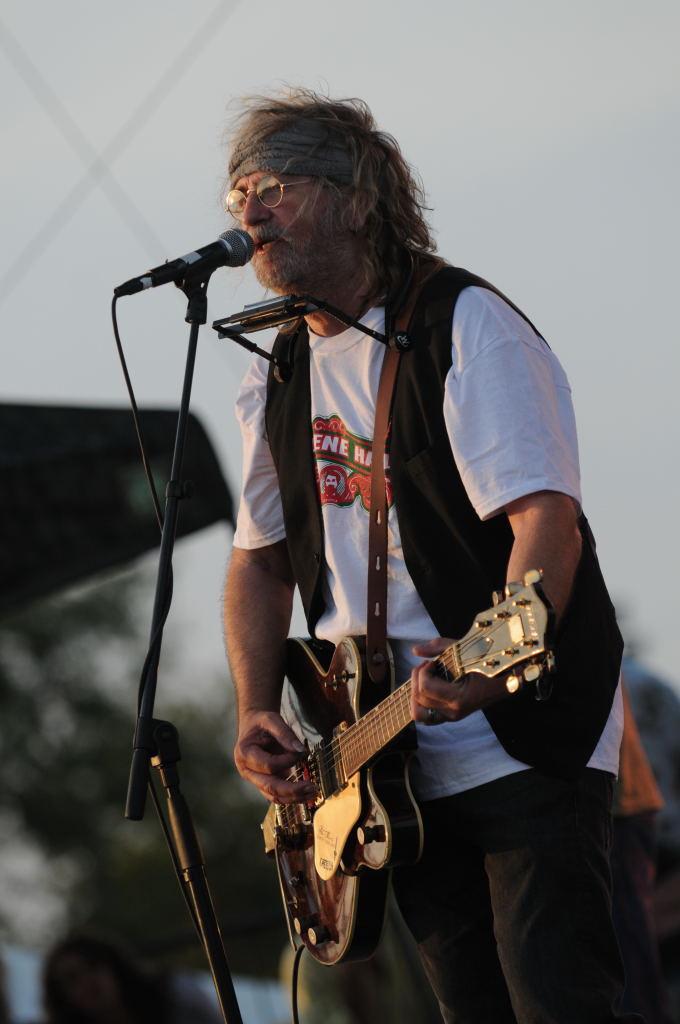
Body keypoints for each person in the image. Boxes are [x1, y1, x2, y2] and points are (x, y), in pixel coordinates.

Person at [222, 87, 635, 1023]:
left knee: (558, 1000)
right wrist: (254, 707)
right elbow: (259, 562)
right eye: (239, 193)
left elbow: (546, 520)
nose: (250, 213)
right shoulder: (276, 367)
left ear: (356, 200)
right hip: (380, 759)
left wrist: (497, 661)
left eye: (276, 187)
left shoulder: (465, 323)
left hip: (520, 734)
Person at [42, 934, 221, 1024]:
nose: (88, 981)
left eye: (93, 964)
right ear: (62, 999)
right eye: (72, 979)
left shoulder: (176, 994)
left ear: (113, 965)